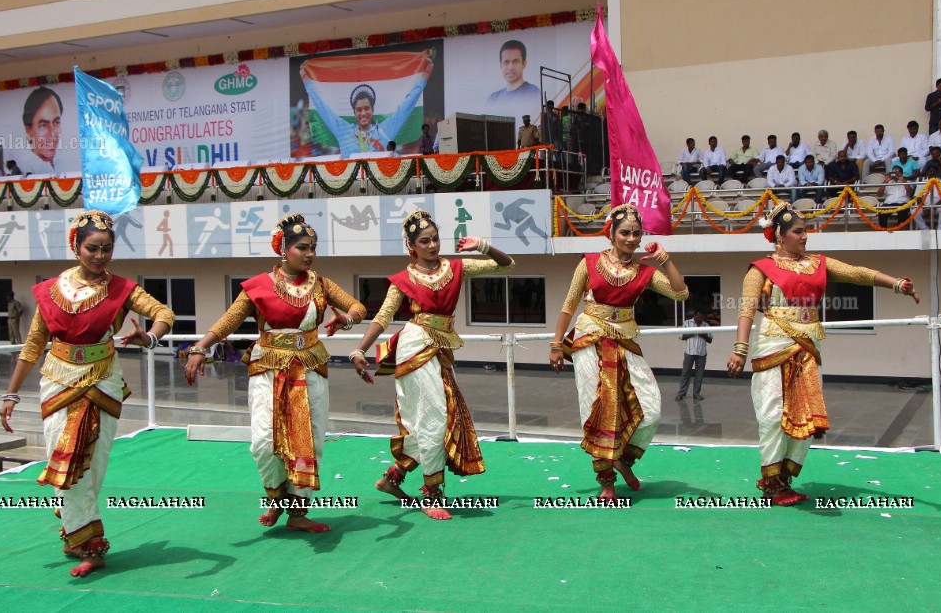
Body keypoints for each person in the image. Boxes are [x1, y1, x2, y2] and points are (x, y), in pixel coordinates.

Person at [0, 210, 174, 576]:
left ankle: (91, 547)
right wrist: (11, 395)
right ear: (76, 247)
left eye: (107, 249)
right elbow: (33, 346)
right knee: (61, 461)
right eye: (92, 248)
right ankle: (76, 533)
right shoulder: (49, 291)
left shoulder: (123, 289)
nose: (100, 256)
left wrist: (151, 337)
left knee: (88, 466)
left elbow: (163, 312)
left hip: (101, 382)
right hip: (57, 382)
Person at [725, 202, 919, 506]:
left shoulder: (818, 264)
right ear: (780, 235)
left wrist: (896, 284)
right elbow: (746, 309)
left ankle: (785, 480)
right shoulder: (760, 269)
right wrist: (739, 348)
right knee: (773, 414)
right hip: (773, 344)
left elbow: (857, 273)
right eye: (799, 231)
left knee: (807, 412)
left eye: (806, 231)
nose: (805, 236)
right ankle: (771, 484)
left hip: (807, 347)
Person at [184, 213, 365, 533]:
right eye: (302, 248)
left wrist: (345, 320)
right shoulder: (259, 287)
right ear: (283, 249)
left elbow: (358, 307)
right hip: (268, 369)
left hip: (310, 369)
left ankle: (297, 513)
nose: (309, 254)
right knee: (264, 443)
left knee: (309, 442)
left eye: (314, 247)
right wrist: (201, 348)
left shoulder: (322, 284)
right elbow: (230, 320)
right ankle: (276, 496)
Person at [350, 210, 513, 520]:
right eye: (424, 241)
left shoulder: (456, 268)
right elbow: (383, 317)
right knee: (434, 417)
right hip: (414, 347)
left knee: (427, 417)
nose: (432, 245)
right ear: (412, 247)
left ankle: (391, 478)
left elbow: (507, 264)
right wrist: (359, 349)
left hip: (439, 349)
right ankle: (432, 493)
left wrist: (482, 244)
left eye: (436, 238)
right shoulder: (403, 280)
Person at [549, 204, 688, 501]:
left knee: (650, 410)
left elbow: (680, 292)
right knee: (596, 410)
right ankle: (606, 480)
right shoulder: (588, 263)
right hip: (589, 339)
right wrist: (556, 344)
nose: (631, 238)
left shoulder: (644, 272)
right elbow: (569, 304)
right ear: (611, 233)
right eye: (625, 232)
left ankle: (622, 457)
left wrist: (664, 259)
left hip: (625, 340)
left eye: (636, 233)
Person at [301, 53, 433, 158]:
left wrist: (426, 74)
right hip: (350, 189)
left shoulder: (386, 129)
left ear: (372, 110)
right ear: (354, 113)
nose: (363, 113)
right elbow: (321, 107)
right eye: (359, 109)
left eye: (366, 108)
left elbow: (408, 104)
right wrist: (305, 79)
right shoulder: (343, 130)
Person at [485, 39, 541, 117]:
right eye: (506, 62)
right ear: (501, 65)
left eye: (515, 61)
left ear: (524, 64)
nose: (510, 67)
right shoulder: (493, 98)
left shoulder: (532, 92)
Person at [676, 308, 712, 401]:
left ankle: (696, 394)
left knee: (699, 375)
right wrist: (690, 334)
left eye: (701, 317)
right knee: (685, 373)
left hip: (702, 353)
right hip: (689, 352)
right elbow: (680, 336)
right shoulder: (687, 323)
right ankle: (681, 393)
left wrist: (703, 335)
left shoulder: (706, 325)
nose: (700, 319)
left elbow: (710, 339)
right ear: (695, 315)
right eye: (698, 317)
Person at [23, 87, 63, 169]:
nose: (52, 134)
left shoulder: (62, 165)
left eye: (56, 122)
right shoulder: (28, 170)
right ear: (28, 130)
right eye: (43, 125)